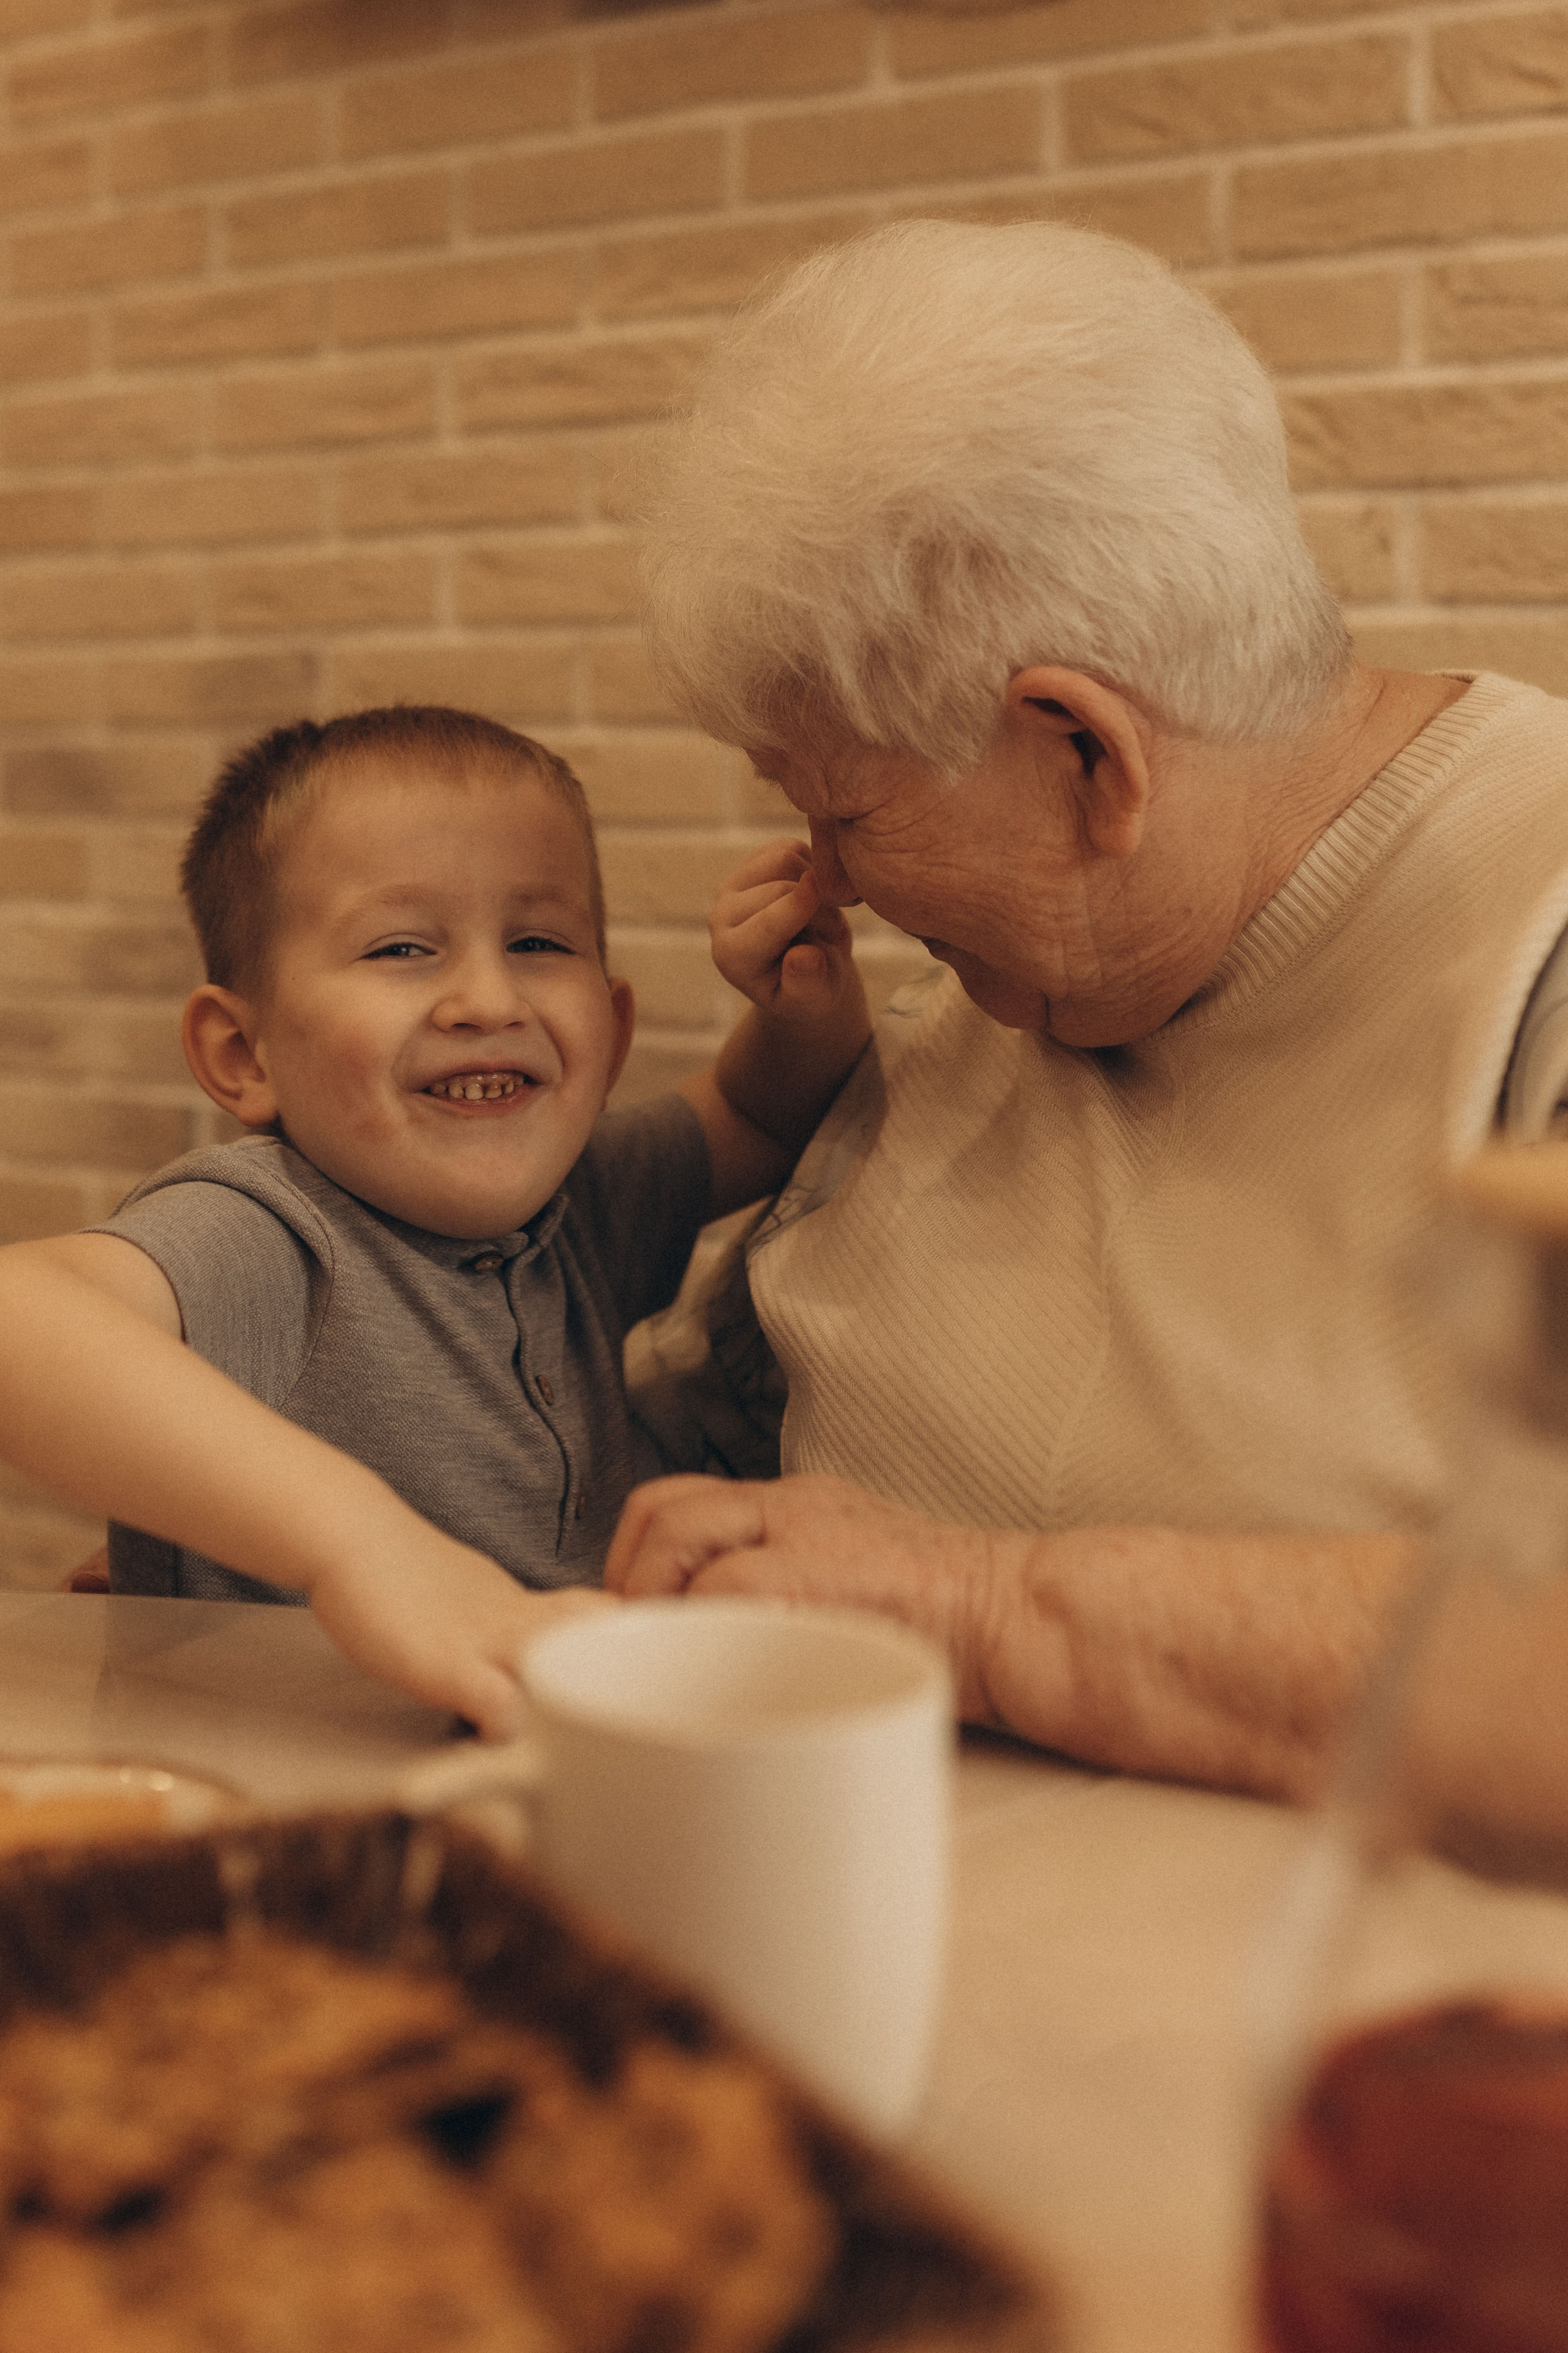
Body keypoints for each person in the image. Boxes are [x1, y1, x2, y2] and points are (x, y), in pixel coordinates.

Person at [601, 217, 1568, 1803]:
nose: (827, 882)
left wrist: (989, 1610)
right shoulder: (997, 988)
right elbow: (689, 1465)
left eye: (847, 811)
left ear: (1085, 755)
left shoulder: (1541, 941)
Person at [0, 706, 869, 1737]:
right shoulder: (271, 1235)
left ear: (613, 1027)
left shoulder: (583, 1202)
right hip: (286, 1792)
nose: (486, 997)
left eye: (539, 941)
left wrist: (807, 1006)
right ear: (244, 1054)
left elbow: (763, 1115)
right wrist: (360, 1548)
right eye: (404, 947)